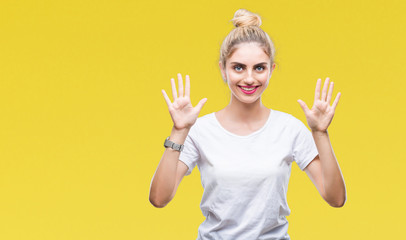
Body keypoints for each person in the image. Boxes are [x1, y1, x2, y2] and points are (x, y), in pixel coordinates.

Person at [149, 8, 346, 240]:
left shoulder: (289, 128)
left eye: (259, 68)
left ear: (271, 70)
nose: (250, 78)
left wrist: (320, 134)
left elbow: (336, 198)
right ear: (223, 69)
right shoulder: (200, 130)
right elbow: (159, 198)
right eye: (238, 67)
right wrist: (179, 131)